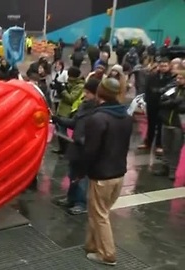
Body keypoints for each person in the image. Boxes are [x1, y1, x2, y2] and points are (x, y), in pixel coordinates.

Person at [80, 78, 133, 266]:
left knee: (100, 215)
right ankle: (92, 244)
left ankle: (108, 254)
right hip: (118, 173)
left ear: (100, 93)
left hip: (101, 175)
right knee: (99, 212)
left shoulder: (98, 118)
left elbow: (90, 150)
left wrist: (80, 172)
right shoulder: (126, 116)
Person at [51, 78, 101, 215]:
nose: (85, 95)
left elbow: (97, 133)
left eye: (88, 93)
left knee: (82, 177)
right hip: (76, 147)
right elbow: (74, 123)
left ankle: (81, 203)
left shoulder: (99, 111)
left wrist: (84, 140)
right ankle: (71, 198)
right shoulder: (84, 105)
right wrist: (58, 119)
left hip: (86, 149)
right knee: (72, 174)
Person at [154, 69, 185, 179]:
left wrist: (172, 103)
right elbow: (161, 101)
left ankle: (173, 169)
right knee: (166, 147)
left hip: (178, 124)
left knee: (175, 149)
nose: (178, 80)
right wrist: (175, 102)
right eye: (177, 78)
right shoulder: (172, 89)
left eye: (181, 78)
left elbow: (182, 108)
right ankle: (165, 167)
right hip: (166, 121)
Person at [138, 58, 174, 153]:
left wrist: (158, 92)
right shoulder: (152, 76)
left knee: (161, 125)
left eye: (165, 66)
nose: (163, 68)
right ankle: (148, 143)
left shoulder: (171, 78)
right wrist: (147, 100)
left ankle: (159, 144)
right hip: (152, 104)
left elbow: (169, 91)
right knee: (151, 124)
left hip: (163, 105)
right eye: (161, 66)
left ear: (169, 66)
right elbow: (148, 89)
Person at [54, 66, 84, 155]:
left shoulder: (79, 86)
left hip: (68, 111)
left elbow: (71, 98)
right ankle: (61, 149)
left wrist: (63, 90)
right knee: (59, 131)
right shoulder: (69, 83)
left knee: (63, 132)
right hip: (61, 109)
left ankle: (66, 151)